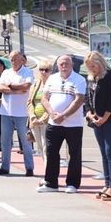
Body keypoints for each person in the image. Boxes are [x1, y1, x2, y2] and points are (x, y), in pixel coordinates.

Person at [37, 55, 87, 193]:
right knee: (52, 152)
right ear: (57, 66)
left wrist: (64, 115)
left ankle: (72, 184)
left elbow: (79, 100)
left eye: (66, 64)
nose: (64, 66)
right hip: (54, 123)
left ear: (71, 65)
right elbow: (44, 98)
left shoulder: (79, 80)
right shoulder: (52, 79)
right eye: (61, 64)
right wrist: (52, 114)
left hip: (73, 124)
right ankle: (51, 183)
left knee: (74, 154)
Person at [83, 51, 111, 201]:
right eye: (90, 67)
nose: (92, 69)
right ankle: (107, 183)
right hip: (96, 119)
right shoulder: (92, 78)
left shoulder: (110, 76)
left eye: (94, 65)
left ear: (100, 63)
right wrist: (89, 114)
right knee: (103, 153)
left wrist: (104, 118)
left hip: (109, 120)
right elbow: (87, 97)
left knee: (110, 151)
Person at [0, 51, 35, 176]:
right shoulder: (6, 72)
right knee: (5, 141)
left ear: (21, 60)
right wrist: (16, 90)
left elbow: (26, 86)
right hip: (6, 111)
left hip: (22, 112)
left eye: (15, 59)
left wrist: (11, 86)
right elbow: (0, 87)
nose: (13, 62)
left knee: (25, 141)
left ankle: (29, 167)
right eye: (11, 59)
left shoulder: (27, 72)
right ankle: (4, 166)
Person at [27, 60, 52, 157]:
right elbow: (29, 102)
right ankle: (46, 167)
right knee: (40, 147)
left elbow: (53, 103)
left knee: (46, 146)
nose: (43, 72)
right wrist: (32, 116)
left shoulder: (52, 85)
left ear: (51, 72)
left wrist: (42, 119)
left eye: (46, 70)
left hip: (46, 119)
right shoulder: (35, 84)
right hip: (34, 119)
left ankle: (48, 170)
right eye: (41, 70)